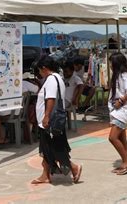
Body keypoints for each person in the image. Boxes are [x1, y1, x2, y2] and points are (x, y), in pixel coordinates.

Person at [32, 56, 82, 184]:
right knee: (46, 149)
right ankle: (45, 174)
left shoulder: (51, 80)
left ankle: (74, 168)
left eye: (39, 70)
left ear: (44, 68)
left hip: (50, 121)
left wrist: (46, 116)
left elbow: (51, 98)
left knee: (55, 148)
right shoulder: (57, 78)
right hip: (51, 121)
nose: (39, 73)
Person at [107, 52, 127, 175]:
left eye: (111, 63)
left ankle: (126, 161)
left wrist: (121, 101)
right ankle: (125, 161)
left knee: (112, 137)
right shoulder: (118, 75)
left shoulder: (124, 75)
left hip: (123, 110)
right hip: (117, 110)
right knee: (121, 137)